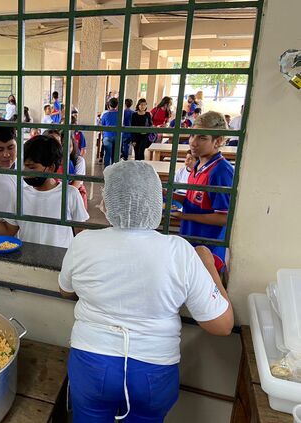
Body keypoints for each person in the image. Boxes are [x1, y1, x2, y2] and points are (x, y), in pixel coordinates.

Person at [59, 160, 233, 423]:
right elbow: (222, 325)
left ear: (108, 201)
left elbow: (65, 291)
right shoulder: (179, 251)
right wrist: (208, 264)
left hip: (92, 365)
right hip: (153, 372)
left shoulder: (84, 241)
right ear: (156, 202)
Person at [0, 135, 89, 248]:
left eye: (32, 167)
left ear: (50, 168)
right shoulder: (20, 195)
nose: (25, 172)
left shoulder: (70, 194)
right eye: (24, 166)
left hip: (60, 260)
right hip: (26, 257)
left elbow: (80, 233)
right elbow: (8, 231)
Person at [172, 111, 235, 272]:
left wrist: (183, 215)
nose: (193, 142)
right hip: (190, 239)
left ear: (218, 141)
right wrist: (169, 194)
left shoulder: (221, 172)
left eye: (202, 138)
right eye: (192, 135)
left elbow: (223, 218)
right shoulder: (198, 166)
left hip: (208, 248)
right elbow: (197, 201)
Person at [68, 134, 87, 210]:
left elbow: (75, 186)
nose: (66, 149)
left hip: (74, 195)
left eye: (70, 146)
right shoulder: (54, 161)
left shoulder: (79, 160)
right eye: (62, 145)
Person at [100, 97, 119, 167]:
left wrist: (103, 135)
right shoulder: (120, 115)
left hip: (107, 136)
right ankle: (115, 169)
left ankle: (106, 170)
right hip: (117, 136)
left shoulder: (105, 115)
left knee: (107, 154)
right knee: (115, 155)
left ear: (109, 105)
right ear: (117, 105)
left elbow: (102, 126)